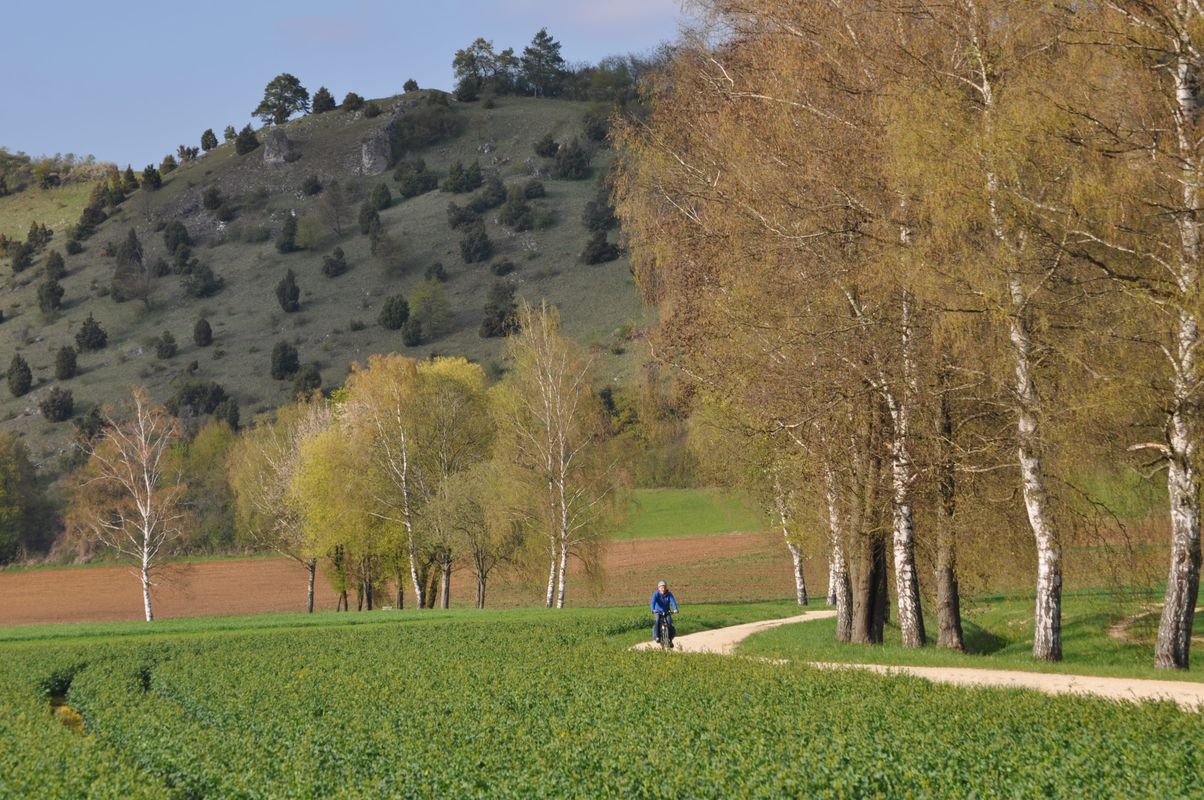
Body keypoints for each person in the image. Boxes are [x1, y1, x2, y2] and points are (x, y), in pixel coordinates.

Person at [650, 580, 679, 647]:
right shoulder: (656, 594)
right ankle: (657, 637)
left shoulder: (669, 594)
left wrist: (675, 609)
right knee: (657, 621)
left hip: (667, 612)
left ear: (666, 588)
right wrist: (653, 610)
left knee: (669, 623)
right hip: (658, 612)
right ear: (658, 588)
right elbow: (653, 602)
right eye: (661, 587)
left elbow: (673, 602)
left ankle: (670, 640)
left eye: (664, 587)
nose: (663, 589)